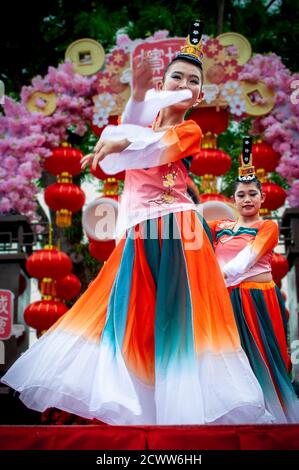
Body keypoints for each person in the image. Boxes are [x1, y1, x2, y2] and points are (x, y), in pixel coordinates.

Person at [1, 21, 274, 425]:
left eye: (192, 81)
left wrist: (117, 141)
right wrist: (136, 102)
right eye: (176, 76)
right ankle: (140, 407)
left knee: (176, 321)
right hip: (139, 232)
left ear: (198, 95)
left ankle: (184, 410)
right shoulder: (141, 128)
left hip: (177, 231)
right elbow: (118, 153)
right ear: (164, 84)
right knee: (130, 317)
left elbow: (148, 151)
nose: (183, 83)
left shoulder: (190, 130)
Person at [208, 136, 299, 423]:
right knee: (229, 355)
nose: (247, 199)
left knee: (263, 353)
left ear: (262, 198)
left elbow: (249, 257)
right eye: (241, 195)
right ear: (232, 200)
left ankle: (272, 410)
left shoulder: (267, 226)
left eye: (252, 194)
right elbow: (192, 239)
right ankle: (239, 411)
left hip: (257, 297)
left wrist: (217, 276)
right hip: (226, 298)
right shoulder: (220, 226)